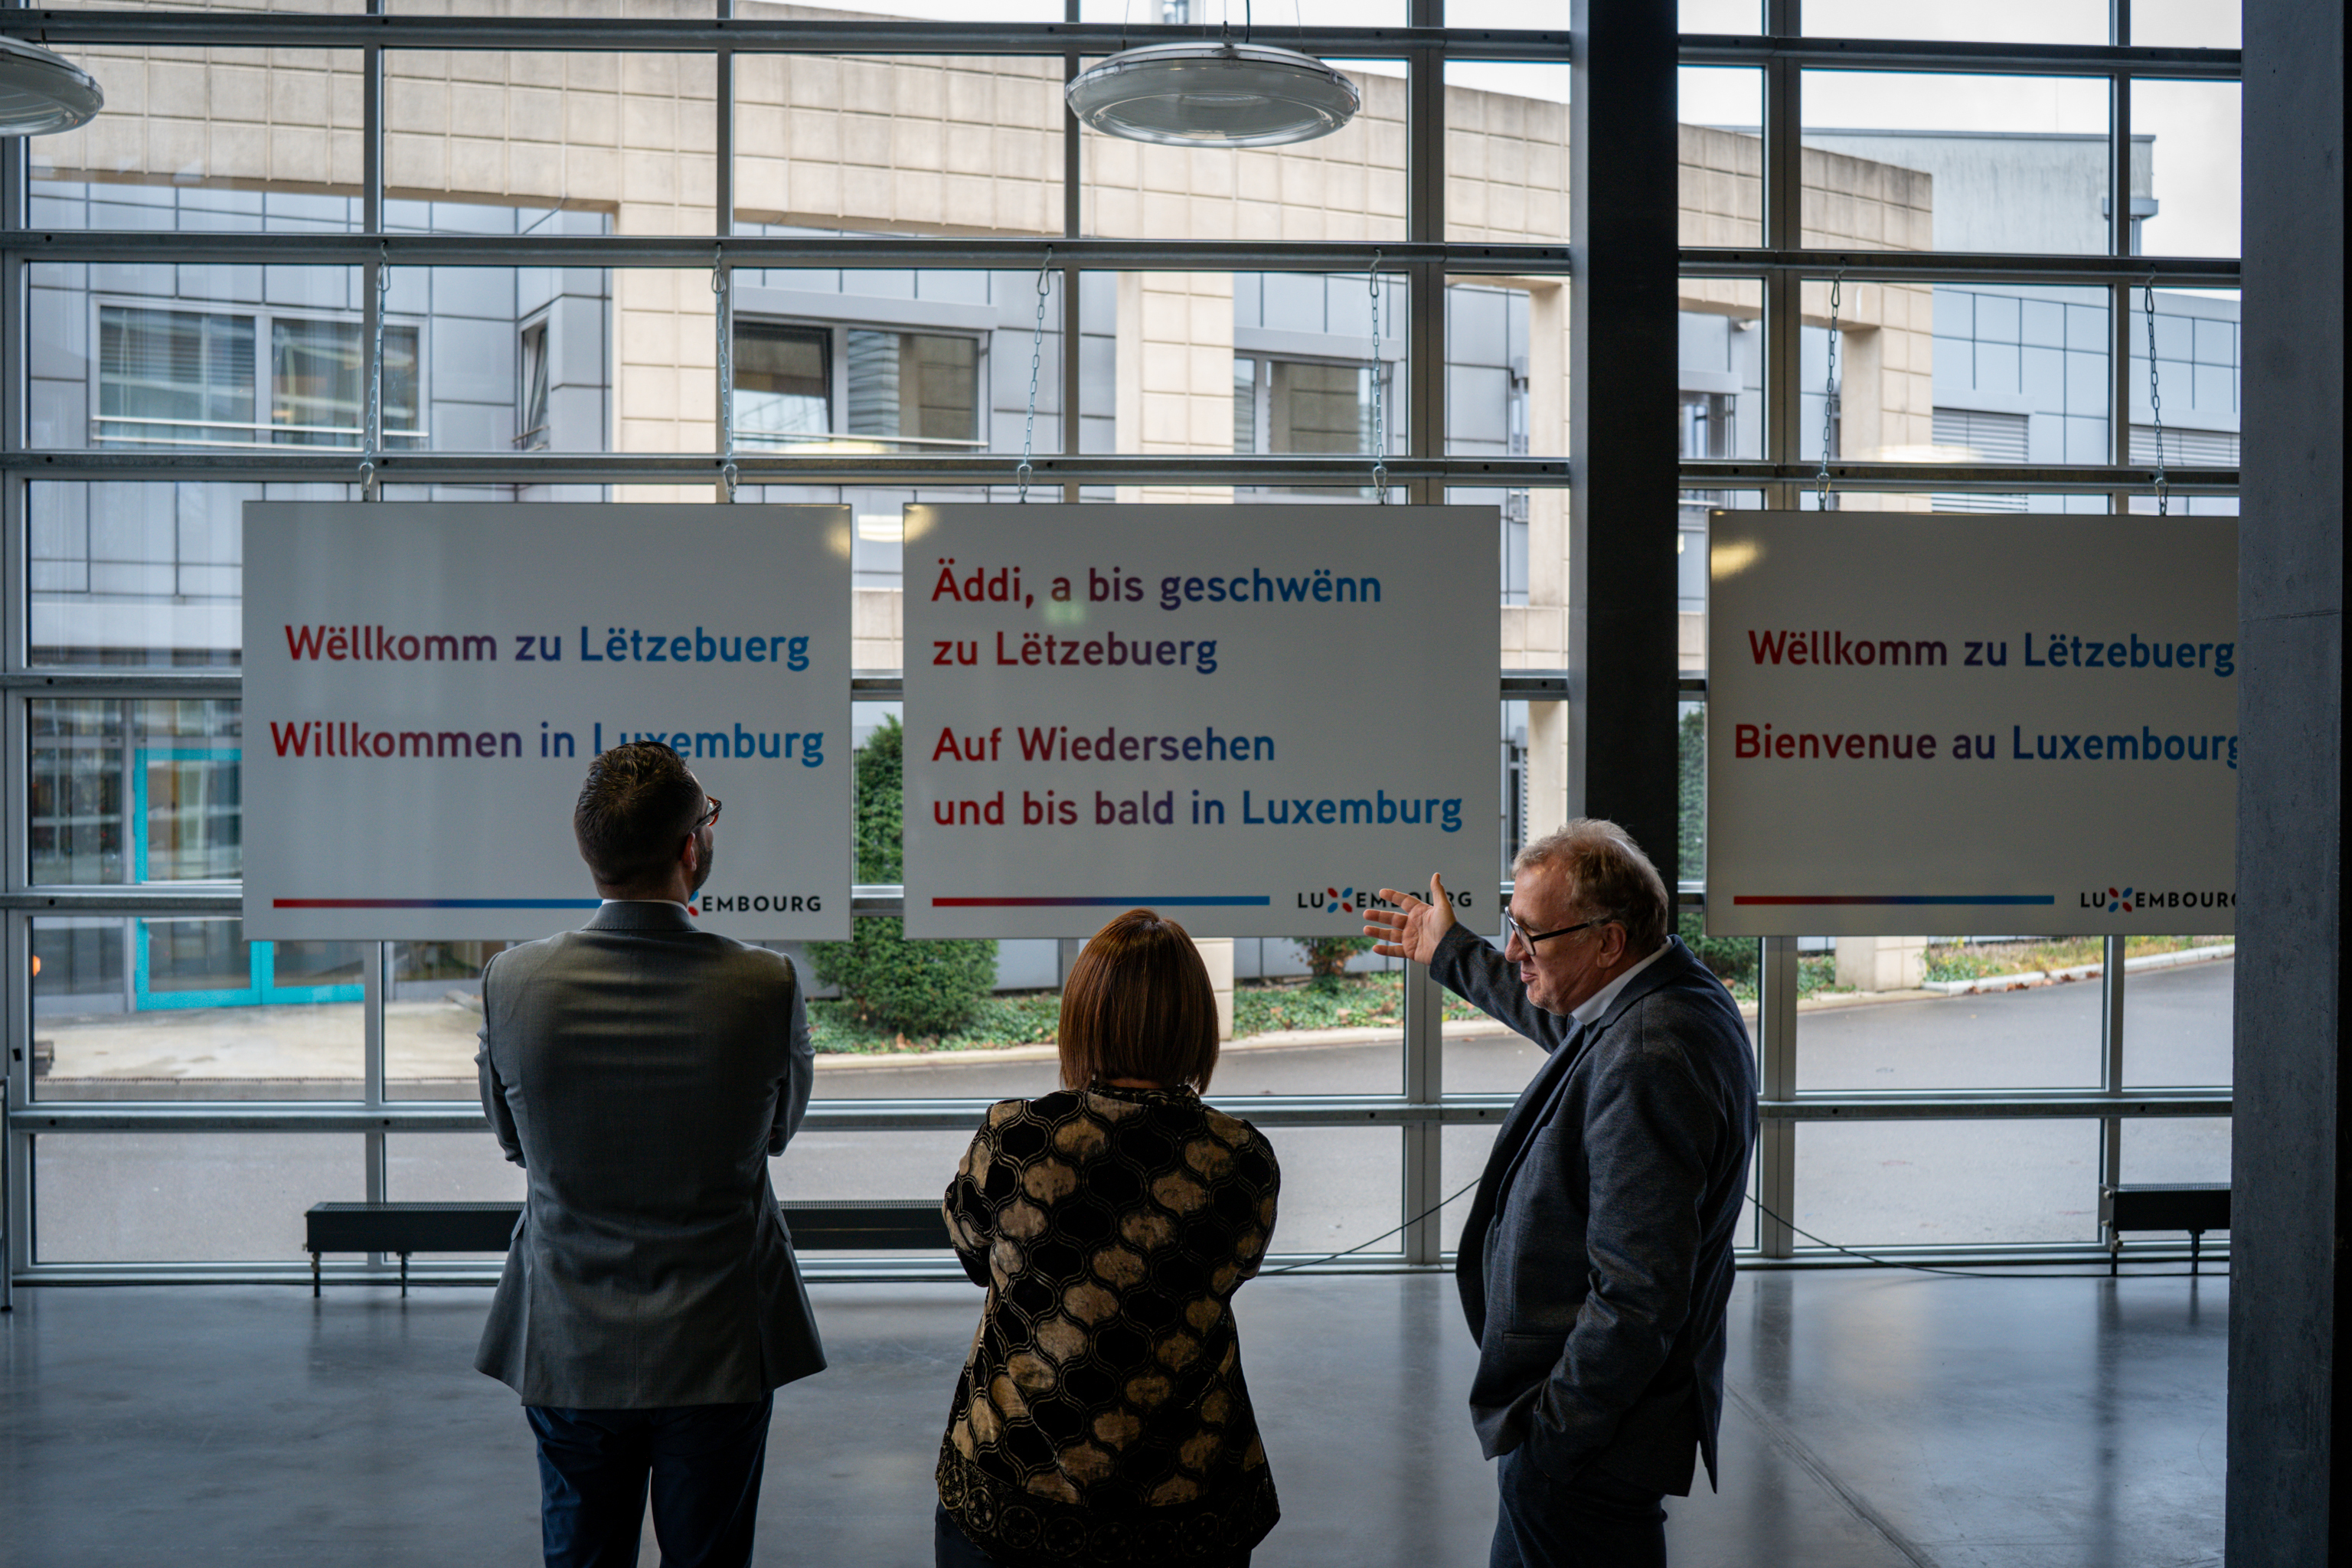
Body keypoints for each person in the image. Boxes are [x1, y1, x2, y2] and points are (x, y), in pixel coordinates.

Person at [1364, 821, 1756, 1568]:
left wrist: (1558, 1433)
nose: (1513, 949)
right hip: (1588, 1434)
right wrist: (1451, 949)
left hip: (1586, 1444)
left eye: (1530, 933)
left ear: (1608, 941)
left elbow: (1639, 1292)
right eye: (1512, 925)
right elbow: (1557, 1015)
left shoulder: (1649, 1052)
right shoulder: (1666, 993)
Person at [475, 740, 825, 1568]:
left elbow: (512, 1141)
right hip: (721, 1339)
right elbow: (777, 1131)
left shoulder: (512, 981)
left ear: (589, 850)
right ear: (691, 848)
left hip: (568, 1335)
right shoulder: (765, 984)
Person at [934, 908, 1282, 1568]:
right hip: (1187, 1492)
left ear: (1083, 1018)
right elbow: (1238, 1267)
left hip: (1015, 1483)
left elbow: (971, 1250)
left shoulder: (1016, 1138)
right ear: (1195, 1025)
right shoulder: (1241, 1155)